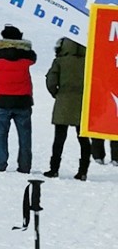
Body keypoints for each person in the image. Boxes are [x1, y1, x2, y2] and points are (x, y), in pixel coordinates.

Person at [44, 36, 105, 179]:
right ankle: (83, 171)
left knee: (59, 138)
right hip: (83, 103)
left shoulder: (59, 61)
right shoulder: (89, 61)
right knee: (83, 139)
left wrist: (57, 94)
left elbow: (51, 81)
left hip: (63, 101)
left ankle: (54, 169)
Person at [0, 25, 38, 173]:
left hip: (1, 100)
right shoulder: (26, 55)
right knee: (25, 135)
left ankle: (0, 163)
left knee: (1, 133)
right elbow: (33, 58)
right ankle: (25, 166)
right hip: (23, 100)